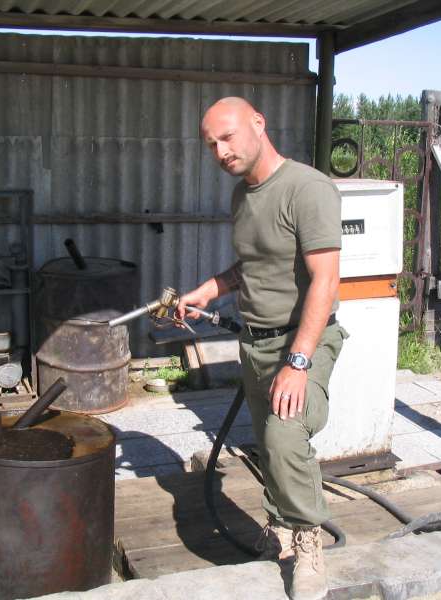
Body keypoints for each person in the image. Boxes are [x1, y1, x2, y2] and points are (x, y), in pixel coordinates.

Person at [175, 97, 346, 600]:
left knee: (285, 436)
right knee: (267, 445)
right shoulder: (241, 196)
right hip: (255, 342)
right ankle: (283, 528)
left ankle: (309, 540)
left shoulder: (307, 188)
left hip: (303, 339)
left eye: (227, 137)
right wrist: (211, 289)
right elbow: (252, 266)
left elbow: (325, 280)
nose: (221, 152)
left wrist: (298, 361)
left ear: (258, 123)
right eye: (211, 145)